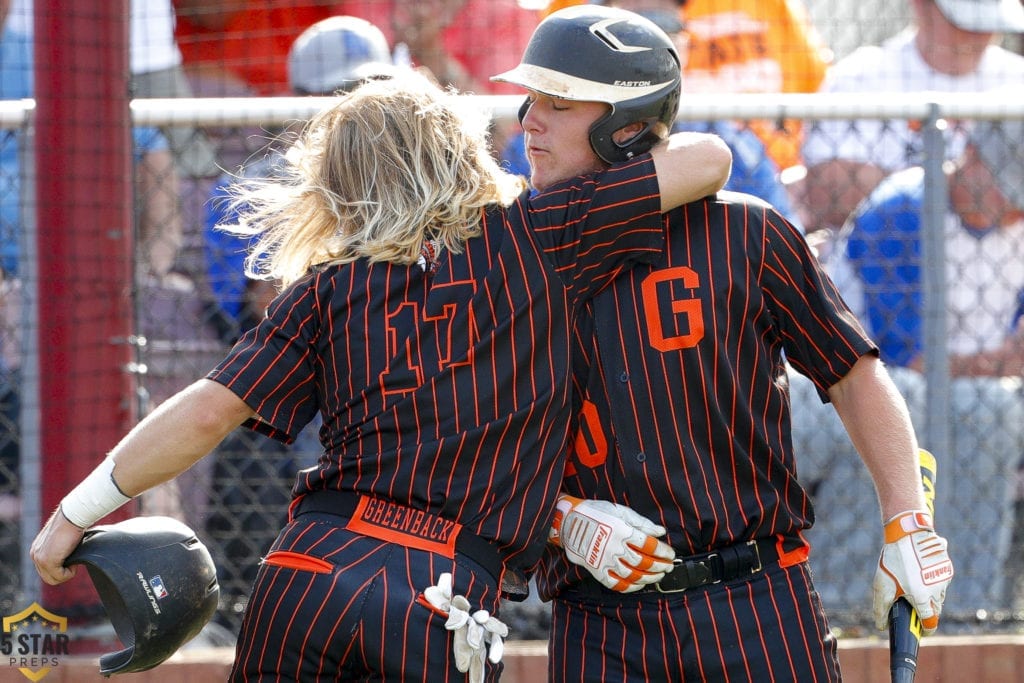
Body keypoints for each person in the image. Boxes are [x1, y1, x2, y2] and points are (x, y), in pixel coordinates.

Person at [31, 68, 732, 681]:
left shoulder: (325, 286)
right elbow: (707, 158)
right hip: (443, 588)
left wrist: (74, 512)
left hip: (310, 569)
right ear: (458, 150)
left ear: (339, 181)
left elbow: (208, 410)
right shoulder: (535, 233)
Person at [491, 5, 953, 680]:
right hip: (600, 618)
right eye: (532, 98)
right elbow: (475, 439)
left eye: (558, 103)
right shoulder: (509, 256)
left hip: (758, 599)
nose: (530, 119)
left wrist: (907, 516)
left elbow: (853, 373)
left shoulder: (748, 232)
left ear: (628, 126)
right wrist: (562, 520)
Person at [804, 112, 1024, 617]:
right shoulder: (905, 209)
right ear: (970, 156)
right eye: (1003, 186)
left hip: (976, 394)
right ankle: (847, 614)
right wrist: (1003, 360)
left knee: (990, 411)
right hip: (850, 389)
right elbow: (904, 363)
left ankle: (967, 615)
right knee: (949, 405)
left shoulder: (1014, 224)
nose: (1009, 205)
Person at [797, 0, 1024, 238]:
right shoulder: (860, 77)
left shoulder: (1018, 80)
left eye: (989, 20)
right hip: (882, 261)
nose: (981, 33)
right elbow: (830, 193)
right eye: (965, 22)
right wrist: (954, 188)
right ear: (921, 4)